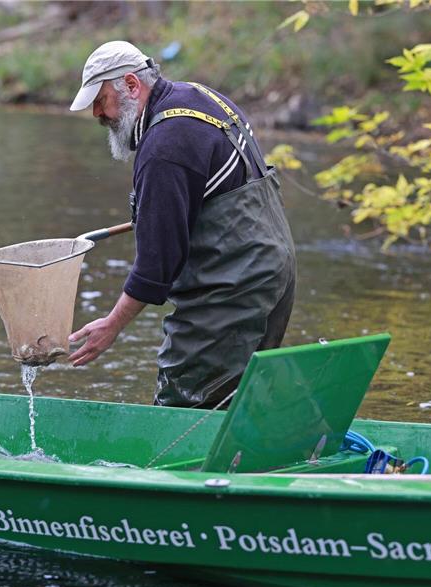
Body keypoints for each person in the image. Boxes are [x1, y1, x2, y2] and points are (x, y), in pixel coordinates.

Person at [67, 41, 296, 409]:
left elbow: (158, 265)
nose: (97, 113)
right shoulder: (199, 97)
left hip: (230, 285)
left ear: (131, 84)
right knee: (241, 401)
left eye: (100, 99)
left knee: (186, 402)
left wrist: (112, 324)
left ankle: (182, 469)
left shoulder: (164, 147)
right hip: (274, 271)